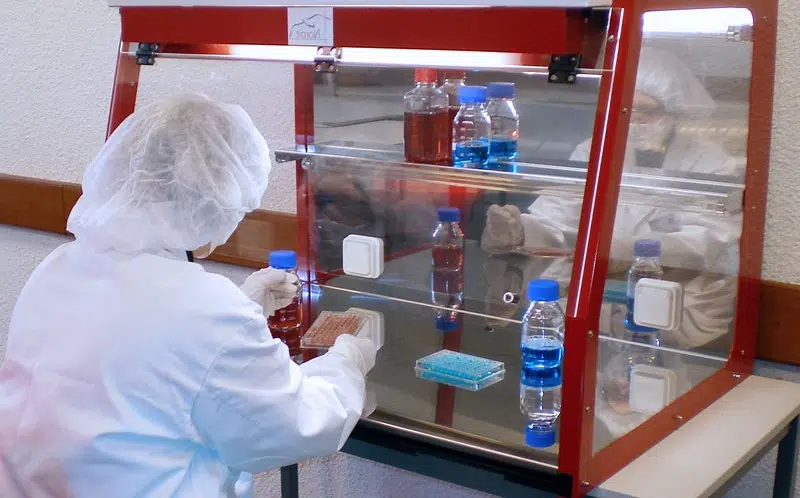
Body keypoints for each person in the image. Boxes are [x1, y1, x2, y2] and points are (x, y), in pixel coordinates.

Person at [0, 94, 377, 497]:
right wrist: (346, 363)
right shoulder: (203, 307)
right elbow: (294, 426)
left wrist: (244, 307)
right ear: (217, 194)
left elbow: (143, 352)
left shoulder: (60, 265)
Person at [482, 47, 742, 351]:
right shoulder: (596, 148)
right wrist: (521, 231)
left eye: (648, 111)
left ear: (673, 112)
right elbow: (559, 217)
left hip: (681, 312)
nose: (636, 120)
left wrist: (624, 251)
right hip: (595, 305)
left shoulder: (711, 163)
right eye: (629, 109)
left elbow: (704, 245)